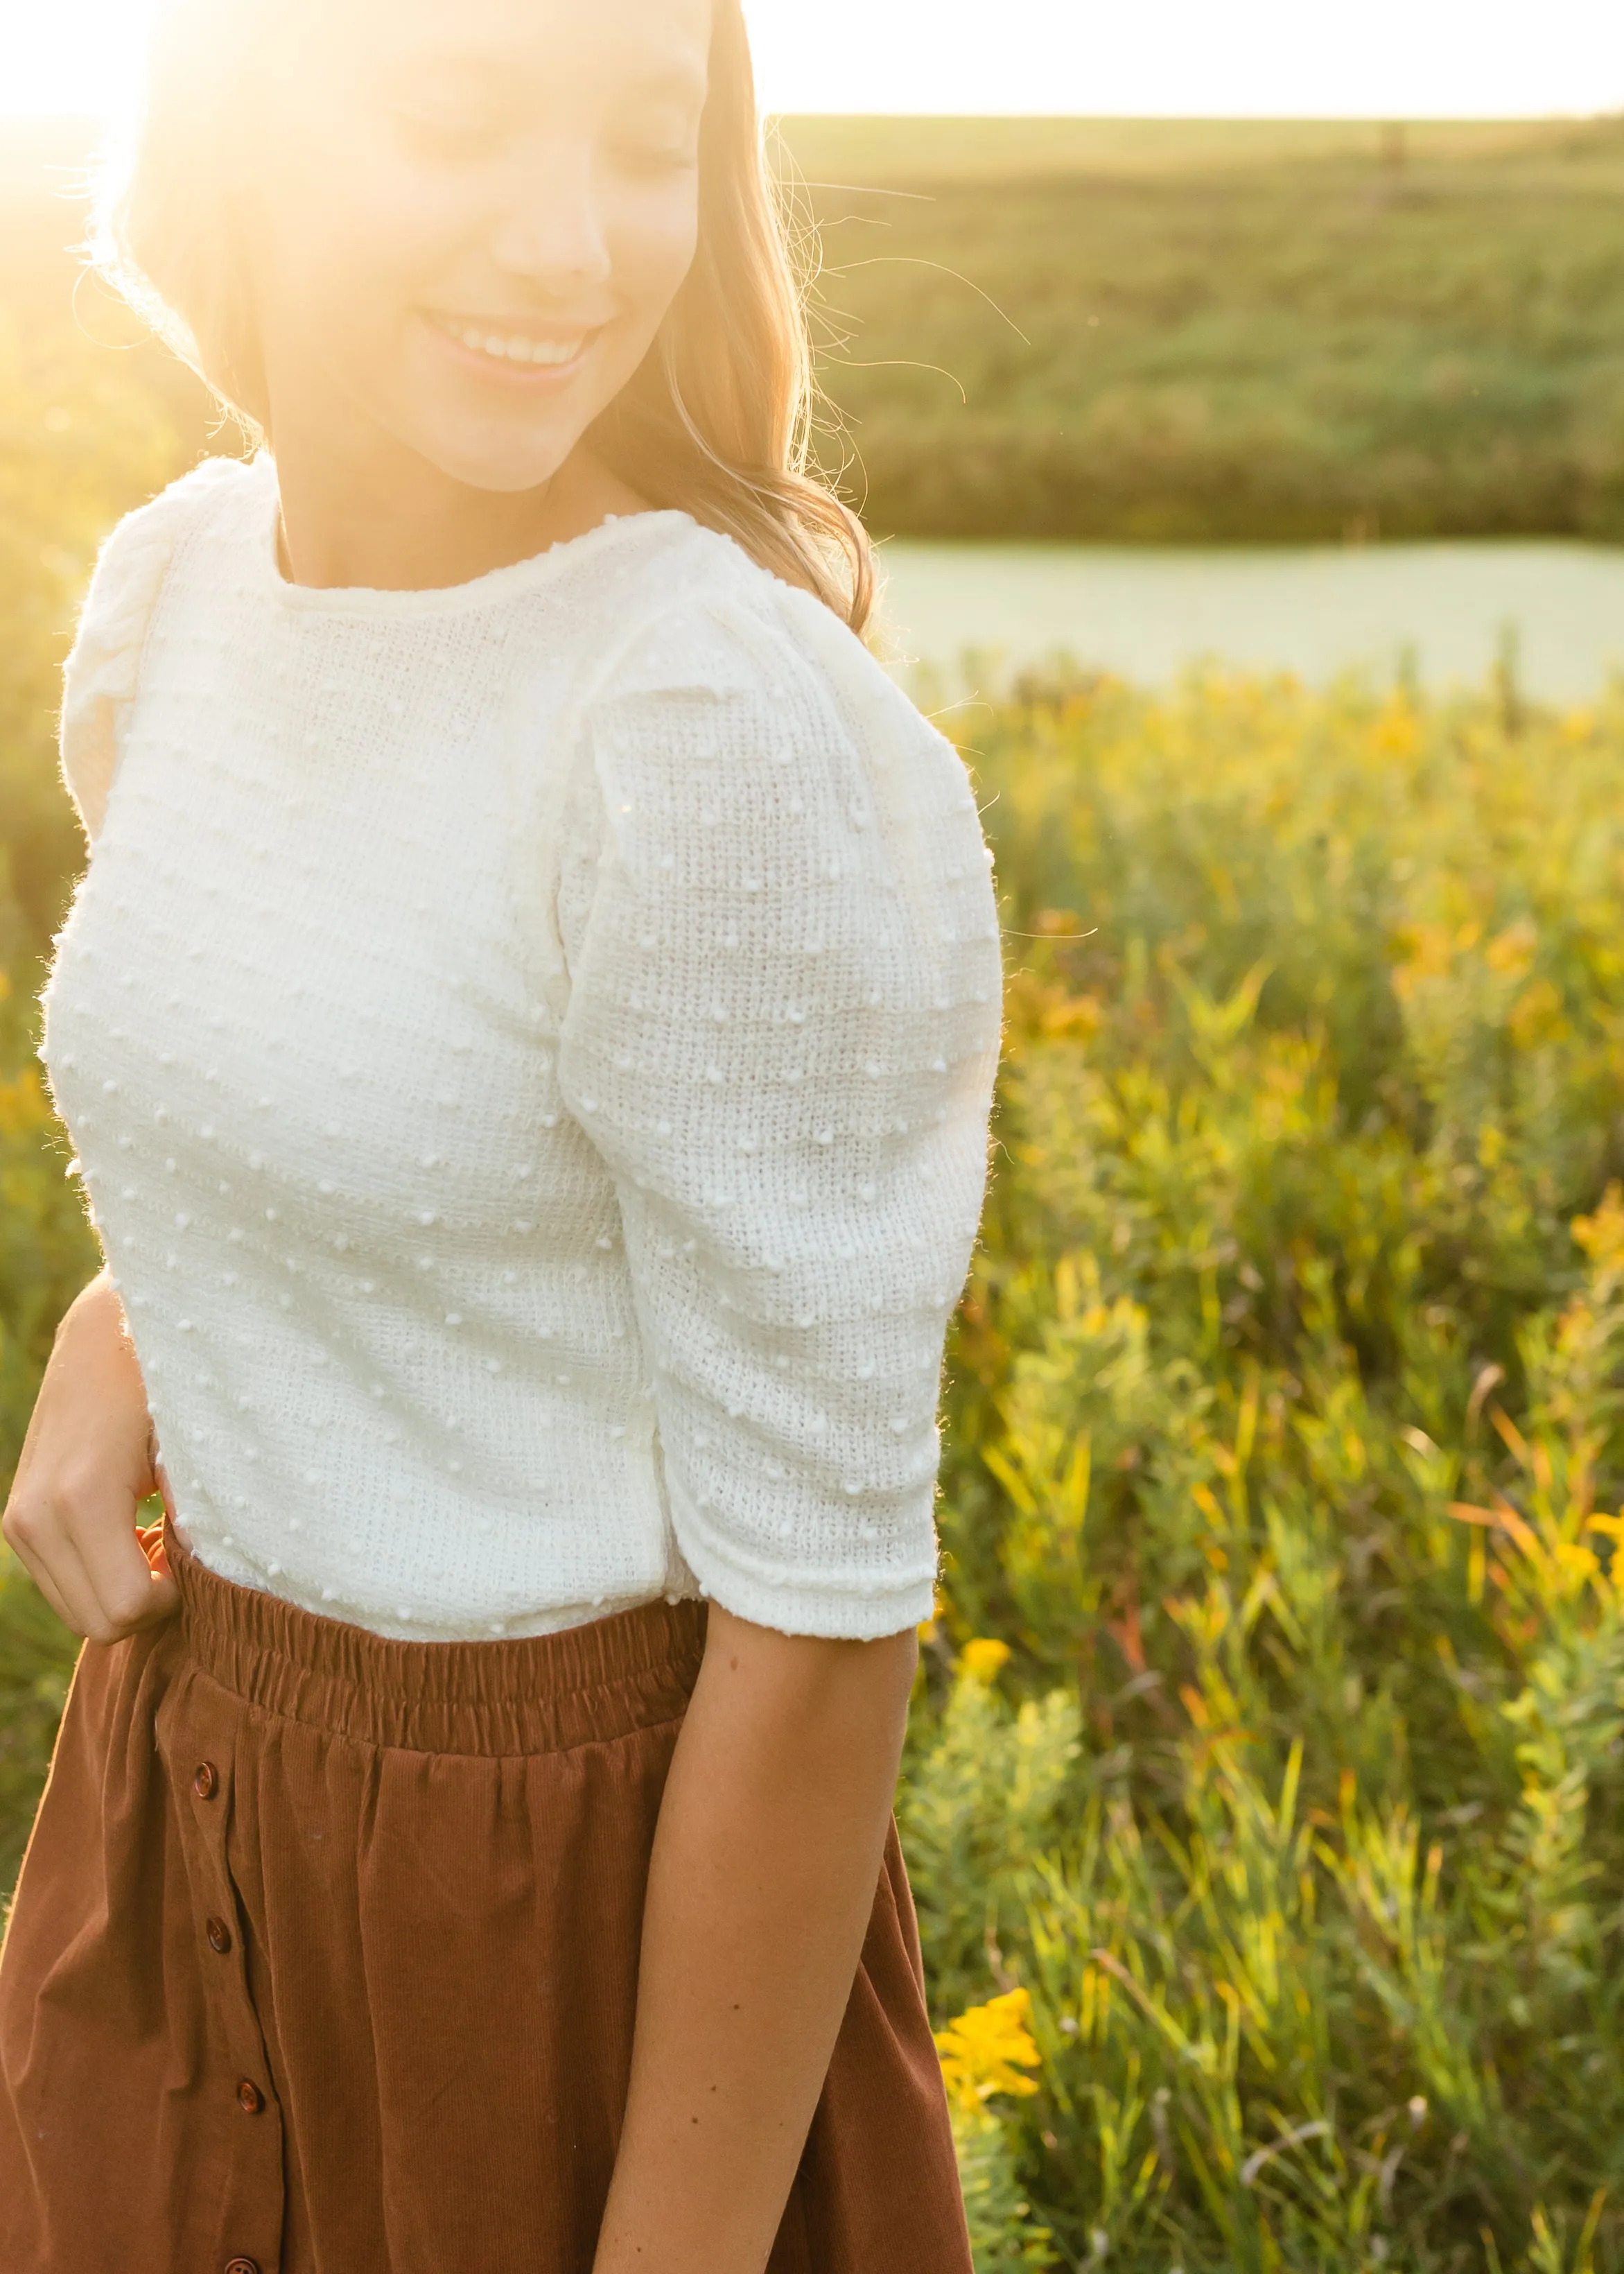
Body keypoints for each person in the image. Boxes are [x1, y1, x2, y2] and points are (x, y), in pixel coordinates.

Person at [0, 0, 1002, 2266]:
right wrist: (137, 1315)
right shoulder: (177, 593)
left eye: (643, 143)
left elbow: (820, 1613)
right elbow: (313, 1083)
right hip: (180, 1802)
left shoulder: (703, 726)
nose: (571, 247)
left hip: (567, 1910)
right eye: (458, 116)